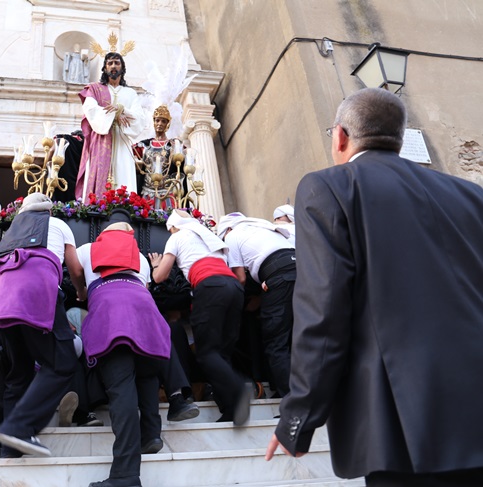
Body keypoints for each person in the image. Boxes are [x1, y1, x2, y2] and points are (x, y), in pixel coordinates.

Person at [265, 88, 483, 485]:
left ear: (341, 137)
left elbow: (323, 309)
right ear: (399, 138)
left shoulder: (327, 187)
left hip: (406, 423)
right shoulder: (472, 195)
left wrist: (299, 417)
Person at [0, 192, 87, 457]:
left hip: (2, 300)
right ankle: (19, 428)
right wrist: (82, 293)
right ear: (48, 211)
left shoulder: (11, 232)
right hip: (37, 292)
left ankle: (9, 450)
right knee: (62, 362)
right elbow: (74, 269)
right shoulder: (58, 225)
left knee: (18, 374)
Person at [76, 222, 171, 487]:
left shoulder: (87, 249)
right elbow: (146, 287)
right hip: (144, 308)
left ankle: (125, 474)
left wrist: (81, 289)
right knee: (147, 372)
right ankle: (151, 433)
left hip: (111, 312)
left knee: (121, 390)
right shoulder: (139, 256)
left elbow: (73, 269)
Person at [149, 209, 250, 425]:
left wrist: (156, 265)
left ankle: (239, 389)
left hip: (209, 286)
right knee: (222, 353)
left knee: (207, 354)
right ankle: (231, 410)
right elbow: (240, 277)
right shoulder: (211, 237)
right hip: (233, 287)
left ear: (173, 227)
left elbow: (159, 277)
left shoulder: (177, 237)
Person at [217, 213, 295, 397]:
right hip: (300, 271)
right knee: (298, 337)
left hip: (278, 277)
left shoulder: (233, 235)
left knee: (276, 344)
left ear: (227, 230)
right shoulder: (262, 227)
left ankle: (293, 404)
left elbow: (240, 278)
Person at [75, 52, 145, 200]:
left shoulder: (130, 93)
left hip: (122, 141)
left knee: (123, 174)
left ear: (122, 68)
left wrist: (122, 109)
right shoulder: (95, 89)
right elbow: (90, 109)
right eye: (110, 63)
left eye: (117, 63)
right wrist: (114, 115)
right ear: (105, 68)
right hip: (101, 140)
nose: (113, 66)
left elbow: (140, 118)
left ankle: (124, 208)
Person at [134, 105, 184, 208]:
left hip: (167, 192)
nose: (160, 124)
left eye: (163, 121)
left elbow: (183, 163)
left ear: (168, 124)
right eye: (157, 120)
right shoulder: (144, 145)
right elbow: (130, 156)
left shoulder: (173, 145)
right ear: (154, 122)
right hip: (147, 192)